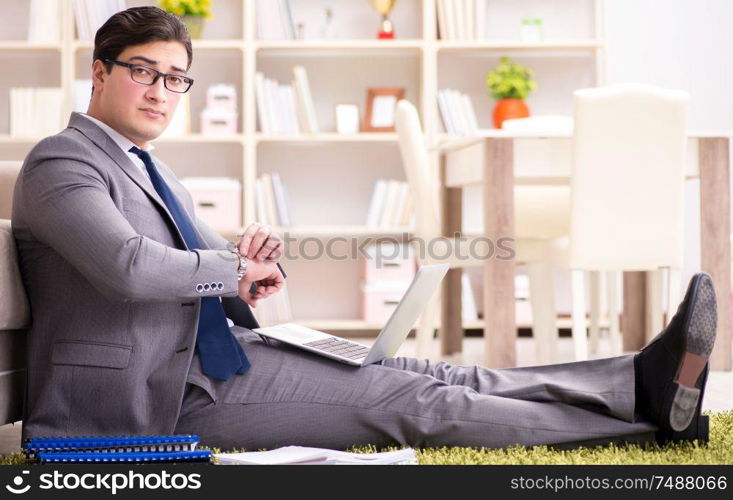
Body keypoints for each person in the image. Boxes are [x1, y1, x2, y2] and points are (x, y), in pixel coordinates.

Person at [11, 6, 716, 451]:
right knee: (416, 403)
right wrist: (228, 268)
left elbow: (206, 274)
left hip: (210, 363)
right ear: (98, 73)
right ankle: (647, 421)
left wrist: (246, 269)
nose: (162, 92)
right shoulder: (61, 161)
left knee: (438, 370)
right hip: (150, 400)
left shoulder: (146, 167)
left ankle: (634, 380)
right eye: (145, 73)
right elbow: (129, 267)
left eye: (176, 79)